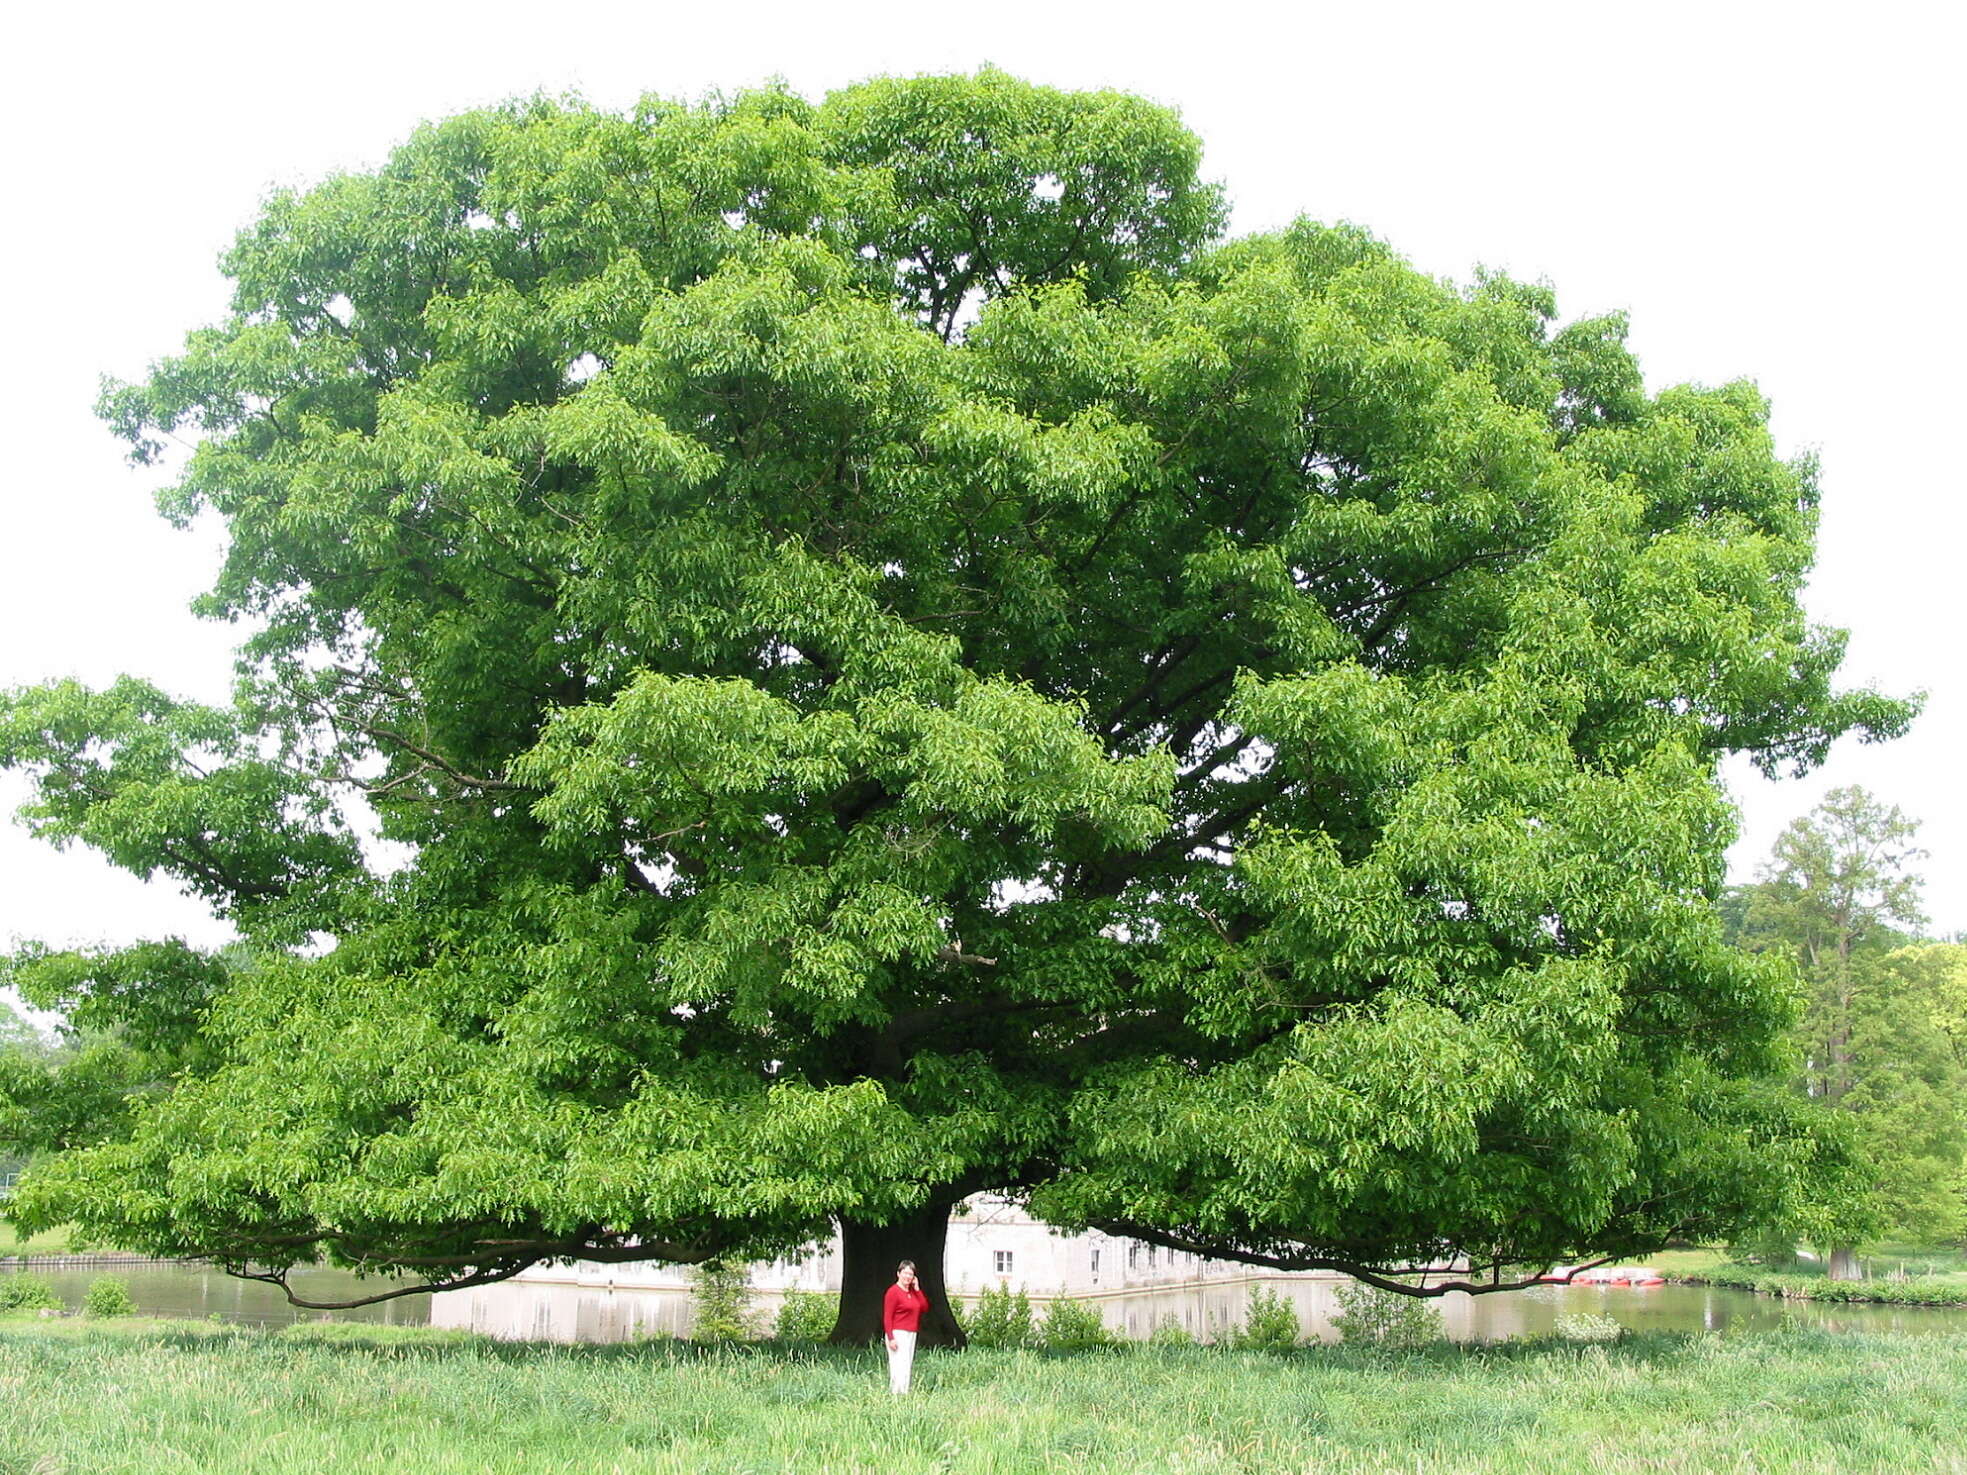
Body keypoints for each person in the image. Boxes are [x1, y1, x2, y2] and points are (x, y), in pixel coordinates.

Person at [882, 1259, 930, 1394]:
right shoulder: (893, 1292)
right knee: (898, 1364)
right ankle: (896, 1393)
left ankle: (905, 1393)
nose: (907, 1277)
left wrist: (917, 1289)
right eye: (905, 1273)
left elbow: (924, 1307)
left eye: (911, 1274)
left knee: (907, 1363)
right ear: (898, 1274)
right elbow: (887, 1316)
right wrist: (891, 1337)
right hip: (898, 1333)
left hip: (911, 1332)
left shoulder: (912, 1292)